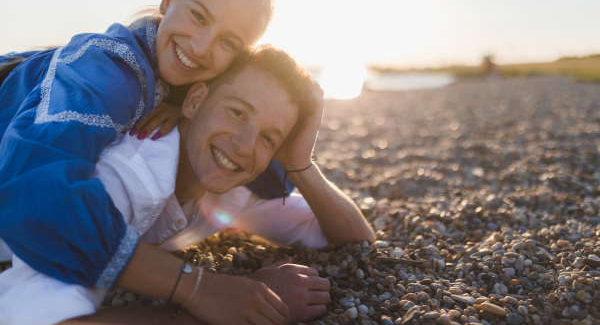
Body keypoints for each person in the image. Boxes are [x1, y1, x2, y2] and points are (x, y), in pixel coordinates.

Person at [0, 46, 374, 325]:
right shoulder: (125, 179)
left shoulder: (234, 190)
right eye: (238, 112)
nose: (244, 146)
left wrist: (299, 163)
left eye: (268, 139)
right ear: (195, 100)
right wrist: (215, 306)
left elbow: (351, 237)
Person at [0, 0, 293, 297]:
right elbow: (33, 193)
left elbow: (275, 181)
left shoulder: (184, 88)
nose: (201, 47)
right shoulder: (110, 71)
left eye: (228, 42)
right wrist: (195, 288)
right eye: (198, 16)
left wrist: (302, 115)